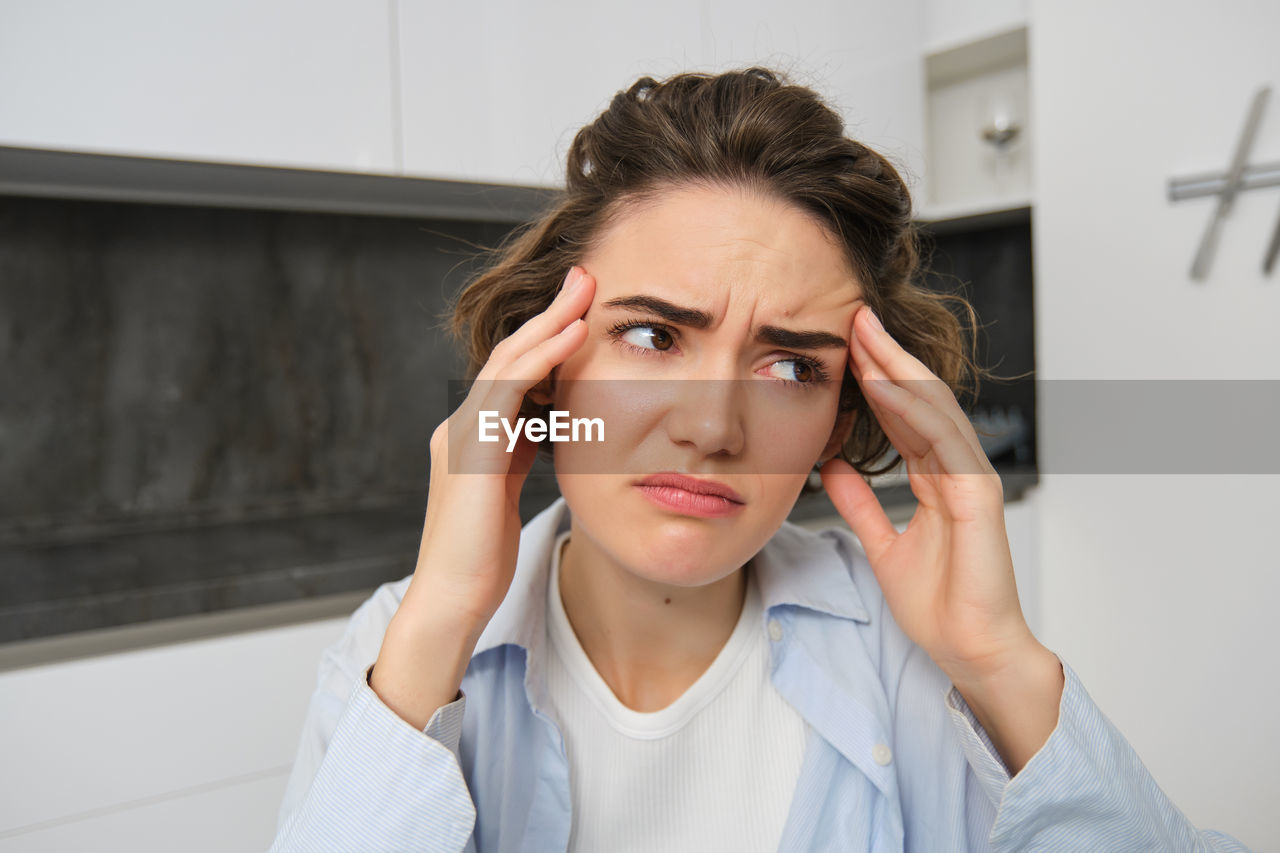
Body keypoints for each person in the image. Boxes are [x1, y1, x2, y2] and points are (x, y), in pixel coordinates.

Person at [268, 69, 1252, 852]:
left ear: (839, 415)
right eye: (654, 337)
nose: (710, 428)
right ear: (546, 367)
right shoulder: (396, 650)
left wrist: (1000, 661)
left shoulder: (906, 657)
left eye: (789, 364)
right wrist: (442, 616)